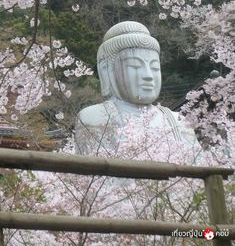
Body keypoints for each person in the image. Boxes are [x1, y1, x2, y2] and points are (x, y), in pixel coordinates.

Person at [75, 21, 201, 159]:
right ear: (106, 70)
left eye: (154, 68)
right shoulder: (94, 117)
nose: (148, 76)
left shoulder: (178, 121)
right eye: (135, 66)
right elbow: (93, 177)